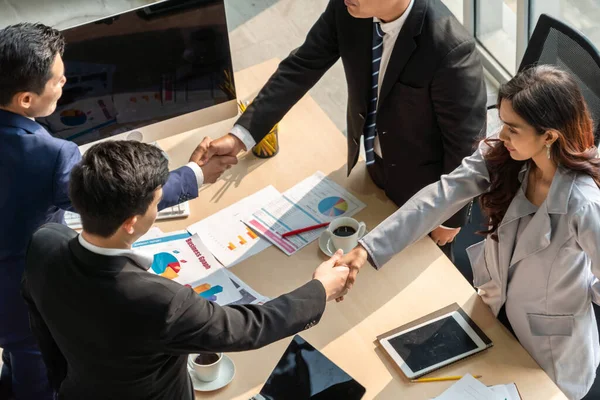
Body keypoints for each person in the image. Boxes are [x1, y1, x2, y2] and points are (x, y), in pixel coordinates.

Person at [0, 23, 234, 399]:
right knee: (35, 375)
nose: (65, 84)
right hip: (18, 296)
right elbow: (112, 197)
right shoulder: (49, 155)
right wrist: (196, 174)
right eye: (58, 81)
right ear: (26, 99)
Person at [339, 65, 600, 399]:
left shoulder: (585, 204)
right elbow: (440, 197)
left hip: (546, 356)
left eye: (513, 129)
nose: (502, 136)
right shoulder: (508, 157)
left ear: (548, 136)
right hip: (490, 316)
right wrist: (366, 249)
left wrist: (575, 297)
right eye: (503, 122)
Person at [21, 140, 350, 400]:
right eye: (156, 199)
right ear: (132, 222)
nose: (160, 199)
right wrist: (320, 289)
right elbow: (248, 328)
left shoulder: (44, 243)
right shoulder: (162, 301)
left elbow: (43, 334)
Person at [196, 0, 487, 259]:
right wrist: (240, 137)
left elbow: (465, 146)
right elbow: (301, 66)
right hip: (371, 174)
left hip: (426, 200)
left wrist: (449, 219)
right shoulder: (347, 8)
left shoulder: (450, 48)